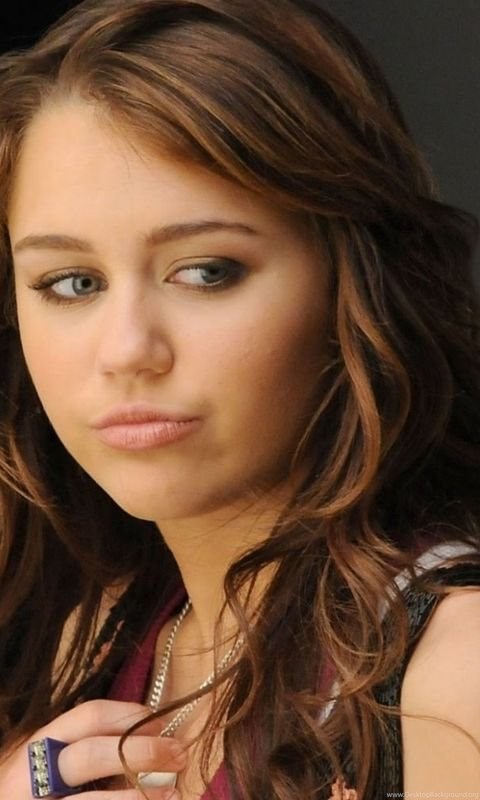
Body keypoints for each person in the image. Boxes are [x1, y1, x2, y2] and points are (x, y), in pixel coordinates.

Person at [0, 0, 479, 798]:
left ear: (351, 284)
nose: (127, 351)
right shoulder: (93, 639)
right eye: (72, 283)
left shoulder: (452, 675)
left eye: (206, 271)